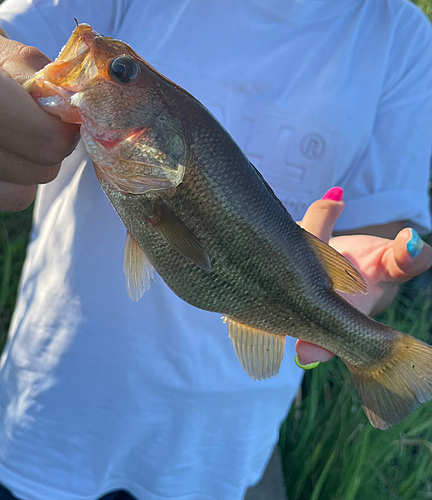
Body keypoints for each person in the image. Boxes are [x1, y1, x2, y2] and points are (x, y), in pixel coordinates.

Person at [0, 1, 431, 499]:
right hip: (54, 415)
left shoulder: (402, 35)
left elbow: (381, 219)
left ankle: (382, 356)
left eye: (121, 71)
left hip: (224, 445)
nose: (98, 59)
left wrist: (366, 279)